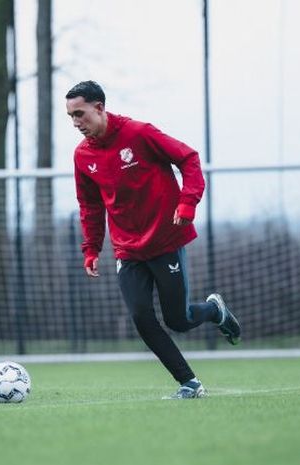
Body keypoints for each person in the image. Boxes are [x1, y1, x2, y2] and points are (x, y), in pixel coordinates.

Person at [65, 80, 241, 399]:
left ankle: (214, 310)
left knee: (179, 319)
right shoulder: (82, 157)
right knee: (141, 316)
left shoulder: (139, 133)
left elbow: (188, 158)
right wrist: (91, 248)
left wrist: (187, 202)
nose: (76, 123)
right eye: (71, 117)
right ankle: (189, 382)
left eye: (80, 114)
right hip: (127, 250)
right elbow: (89, 205)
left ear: (100, 108)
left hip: (164, 240)